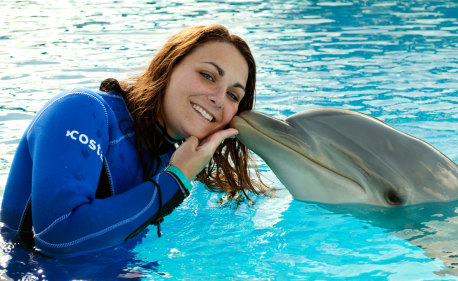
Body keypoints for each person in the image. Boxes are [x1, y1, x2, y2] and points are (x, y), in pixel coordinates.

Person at [0, 25, 270, 257]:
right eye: (207, 75)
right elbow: (57, 236)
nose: (219, 99)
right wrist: (176, 179)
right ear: (168, 66)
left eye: (234, 95)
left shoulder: (166, 156)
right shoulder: (82, 111)